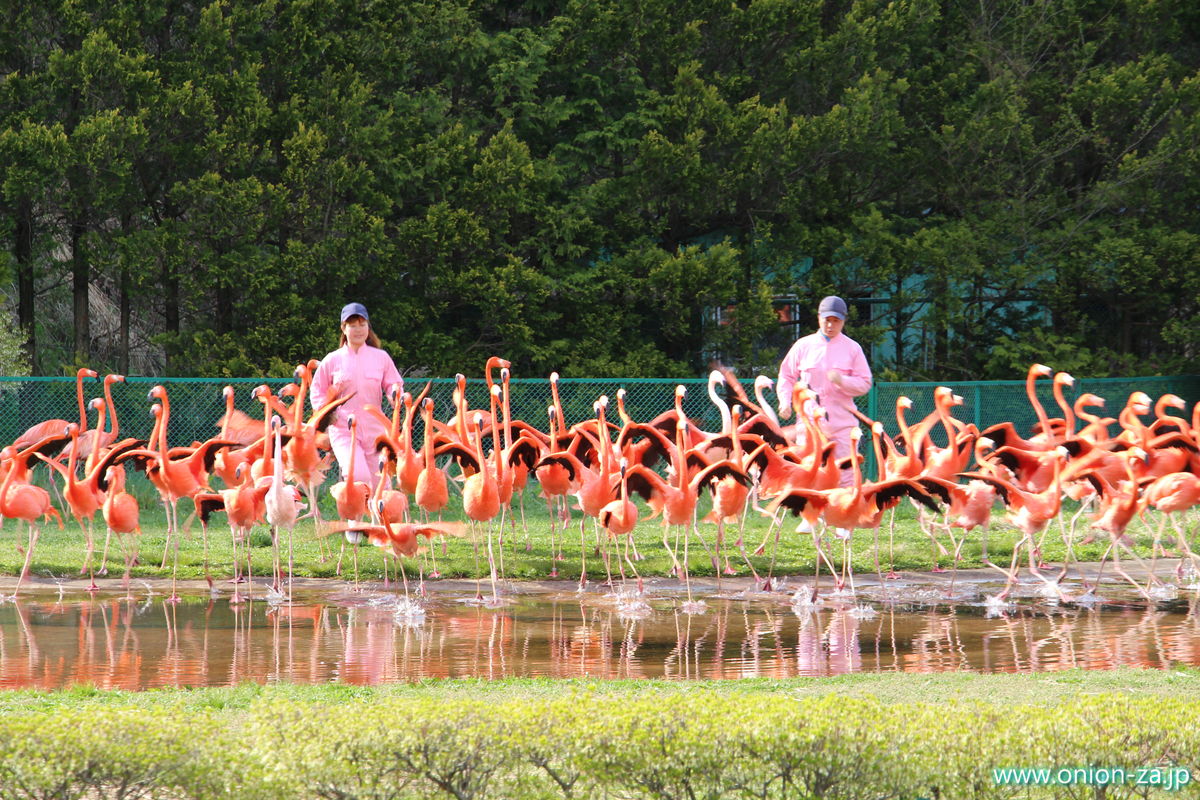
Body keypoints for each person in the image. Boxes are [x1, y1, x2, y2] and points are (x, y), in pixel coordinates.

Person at [776, 295, 872, 488]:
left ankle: (844, 515)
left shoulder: (853, 349)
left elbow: (865, 383)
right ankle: (813, 517)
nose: (831, 325)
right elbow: (786, 376)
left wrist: (842, 380)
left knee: (847, 475)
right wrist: (785, 401)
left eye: (836, 321)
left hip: (842, 425)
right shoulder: (803, 346)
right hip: (810, 423)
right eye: (827, 320)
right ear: (819, 317)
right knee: (809, 473)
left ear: (843, 321)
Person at [310, 302, 403, 491]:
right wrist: (327, 415)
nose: (358, 329)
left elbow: (394, 385)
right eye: (353, 325)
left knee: (381, 482)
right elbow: (317, 391)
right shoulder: (332, 360)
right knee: (357, 474)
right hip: (343, 428)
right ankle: (354, 519)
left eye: (362, 324)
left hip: (374, 430)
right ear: (343, 329)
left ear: (368, 326)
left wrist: (396, 396)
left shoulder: (381, 357)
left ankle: (380, 519)